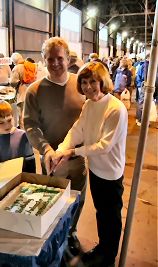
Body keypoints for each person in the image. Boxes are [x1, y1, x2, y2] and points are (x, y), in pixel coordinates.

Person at [52, 62, 128, 267]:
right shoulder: (89, 104)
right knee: (101, 212)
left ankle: (109, 257)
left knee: (111, 217)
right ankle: (103, 248)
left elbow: (104, 145)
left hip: (111, 172)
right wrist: (61, 149)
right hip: (95, 169)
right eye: (84, 82)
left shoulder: (116, 109)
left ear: (102, 81)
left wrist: (73, 152)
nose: (88, 87)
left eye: (93, 81)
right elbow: (79, 129)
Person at [24, 37, 86, 255]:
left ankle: (71, 233)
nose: (56, 63)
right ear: (44, 60)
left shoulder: (81, 85)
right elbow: (30, 125)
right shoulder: (35, 90)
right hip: (51, 159)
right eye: (50, 59)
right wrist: (46, 150)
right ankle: (54, 238)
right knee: (53, 201)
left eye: (60, 58)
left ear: (68, 58)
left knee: (77, 198)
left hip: (78, 157)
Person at [0, 100, 36, 173]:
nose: (7, 125)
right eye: (1, 123)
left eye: (9, 120)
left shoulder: (23, 136)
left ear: (13, 116)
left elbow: (30, 161)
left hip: (21, 178)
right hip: (1, 178)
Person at [10, 52, 27, 129]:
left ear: (14, 61)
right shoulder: (29, 65)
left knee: (22, 116)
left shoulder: (17, 68)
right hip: (33, 94)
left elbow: (13, 82)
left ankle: (24, 135)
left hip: (22, 95)